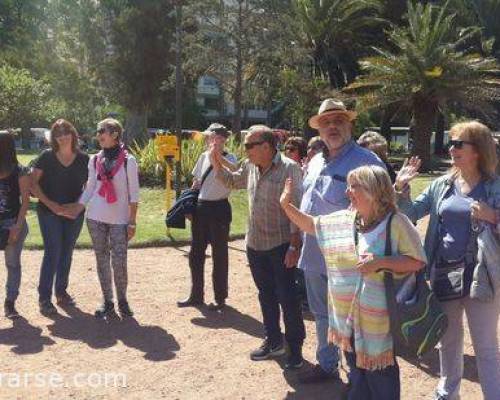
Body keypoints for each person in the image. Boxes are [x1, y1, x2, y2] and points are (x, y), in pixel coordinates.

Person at [281, 165, 426, 400]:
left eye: (353, 186)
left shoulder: (396, 222)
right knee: (357, 377)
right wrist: (286, 205)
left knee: (380, 380)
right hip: (346, 320)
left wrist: (381, 262)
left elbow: (417, 262)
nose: (348, 191)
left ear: (373, 189)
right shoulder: (346, 220)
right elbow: (311, 225)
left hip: (378, 323)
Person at [395, 121, 500, 400]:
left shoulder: (495, 187)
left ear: (477, 150)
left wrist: (494, 217)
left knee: (486, 347)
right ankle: (447, 393)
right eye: (451, 143)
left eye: (458, 144)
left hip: (483, 276)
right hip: (444, 272)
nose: (451, 149)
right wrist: (401, 189)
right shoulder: (442, 184)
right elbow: (411, 214)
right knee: (448, 340)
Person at [297, 99, 385, 384]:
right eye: (326, 123)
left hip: (349, 257)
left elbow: (383, 208)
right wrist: (294, 244)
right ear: (320, 130)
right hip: (313, 252)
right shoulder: (316, 161)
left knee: (352, 320)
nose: (332, 127)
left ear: (350, 125)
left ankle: (359, 381)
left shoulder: (367, 161)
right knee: (321, 314)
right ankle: (327, 365)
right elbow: (307, 205)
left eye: (338, 121)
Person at [210, 124, 306, 369]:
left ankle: (295, 349)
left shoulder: (290, 168)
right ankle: (273, 341)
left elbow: (296, 209)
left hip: (281, 244)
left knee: (288, 298)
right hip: (255, 244)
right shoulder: (251, 166)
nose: (245, 150)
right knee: (266, 295)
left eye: (249, 145)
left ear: (266, 146)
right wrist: (216, 162)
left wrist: (295, 246)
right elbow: (233, 182)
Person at [68, 118, 140, 319]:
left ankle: (122, 300)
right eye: (98, 131)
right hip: (95, 217)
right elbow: (90, 187)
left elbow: (134, 194)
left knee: (119, 262)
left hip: (120, 220)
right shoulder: (95, 159)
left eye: (102, 131)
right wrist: (78, 207)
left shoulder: (128, 161)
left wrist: (132, 220)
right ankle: (107, 301)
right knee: (101, 260)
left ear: (115, 134)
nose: (98, 134)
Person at [31, 119, 89, 315]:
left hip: (74, 213)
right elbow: (33, 184)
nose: (62, 136)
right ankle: (44, 298)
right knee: (53, 251)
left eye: (66, 132)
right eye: (58, 133)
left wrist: (78, 205)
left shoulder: (84, 159)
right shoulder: (46, 157)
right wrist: (51, 205)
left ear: (73, 134)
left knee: (67, 251)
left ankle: (61, 292)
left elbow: (91, 187)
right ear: (53, 138)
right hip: (49, 212)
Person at [177, 123, 238, 311]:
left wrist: (217, 158)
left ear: (222, 139)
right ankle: (196, 295)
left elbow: (230, 180)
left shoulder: (231, 159)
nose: (210, 141)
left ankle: (220, 298)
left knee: (220, 254)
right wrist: (189, 204)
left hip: (219, 208)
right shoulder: (203, 156)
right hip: (201, 208)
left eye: (213, 137)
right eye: (210, 138)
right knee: (195, 254)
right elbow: (196, 182)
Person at [0, 132, 30, 319]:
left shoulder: (20, 170)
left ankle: (10, 303)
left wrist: (17, 227)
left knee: (12, 264)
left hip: (12, 223)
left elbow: (25, 201)